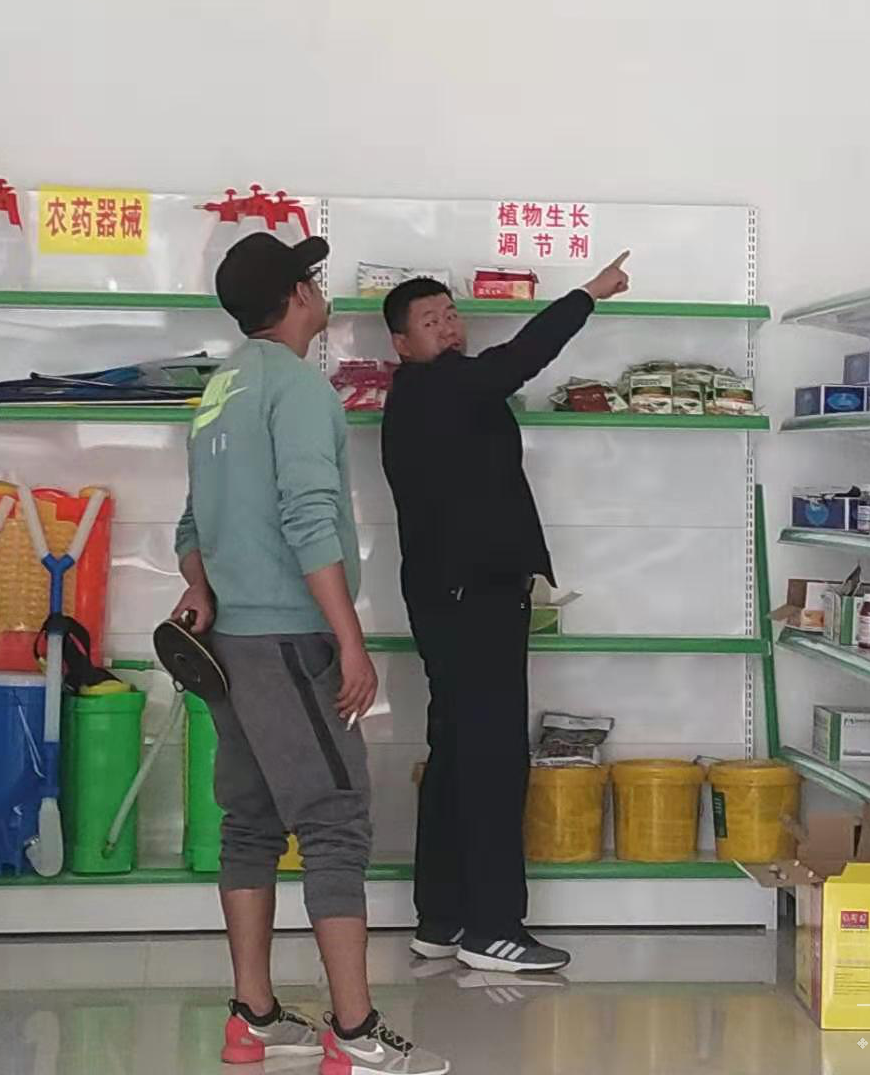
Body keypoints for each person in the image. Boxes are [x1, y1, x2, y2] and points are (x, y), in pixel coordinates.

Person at [171, 230, 448, 1075]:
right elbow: (308, 516)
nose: (319, 290)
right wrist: (349, 640)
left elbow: (192, 525)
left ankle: (253, 1018)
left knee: (251, 822)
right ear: (296, 296)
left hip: (227, 644)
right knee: (334, 822)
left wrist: (200, 588)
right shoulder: (296, 388)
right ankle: (356, 1032)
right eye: (312, 279)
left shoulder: (220, 389)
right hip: (289, 640)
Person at [380, 252, 631, 975]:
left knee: (457, 757)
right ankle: (493, 928)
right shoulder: (437, 387)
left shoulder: (438, 391)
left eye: (451, 314)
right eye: (430, 321)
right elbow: (516, 361)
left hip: (454, 596)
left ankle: (441, 919)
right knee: (491, 761)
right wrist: (588, 294)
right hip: (472, 600)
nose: (447, 327)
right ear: (401, 343)